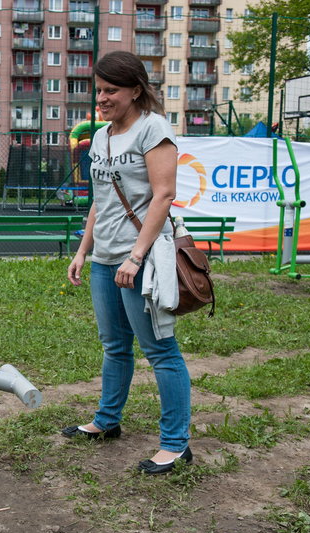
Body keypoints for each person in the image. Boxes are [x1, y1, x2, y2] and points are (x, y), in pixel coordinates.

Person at [62, 51, 192, 475]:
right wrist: (84, 251)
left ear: (136, 89)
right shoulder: (100, 137)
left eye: (110, 90)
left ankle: (175, 444)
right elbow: (100, 203)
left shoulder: (153, 129)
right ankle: (106, 421)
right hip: (104, 260)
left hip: (144, 259)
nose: (101, 98)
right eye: (98, 90)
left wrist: (135, 257)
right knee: (115, 346)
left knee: (161, 352)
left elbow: (163, 195)